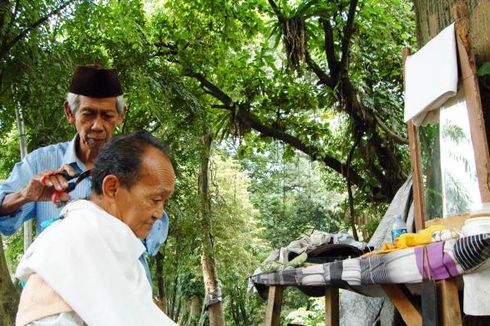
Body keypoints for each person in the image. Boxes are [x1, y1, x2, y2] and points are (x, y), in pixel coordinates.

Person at [0, 64, 168, 278]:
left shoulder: (138, 165)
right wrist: (25, 195)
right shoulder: (41, 162)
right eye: (88, 114)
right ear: (70, 113)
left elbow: (152, 237)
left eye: (107, 115)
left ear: (120, 115)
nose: (97, 125)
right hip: (60, 297)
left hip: (121, 293)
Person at [15, 130, 177, 325]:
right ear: (112, 188)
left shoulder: (126, 259)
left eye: (164, 202)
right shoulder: (70, 246)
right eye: (155, 199)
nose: (159, 213)